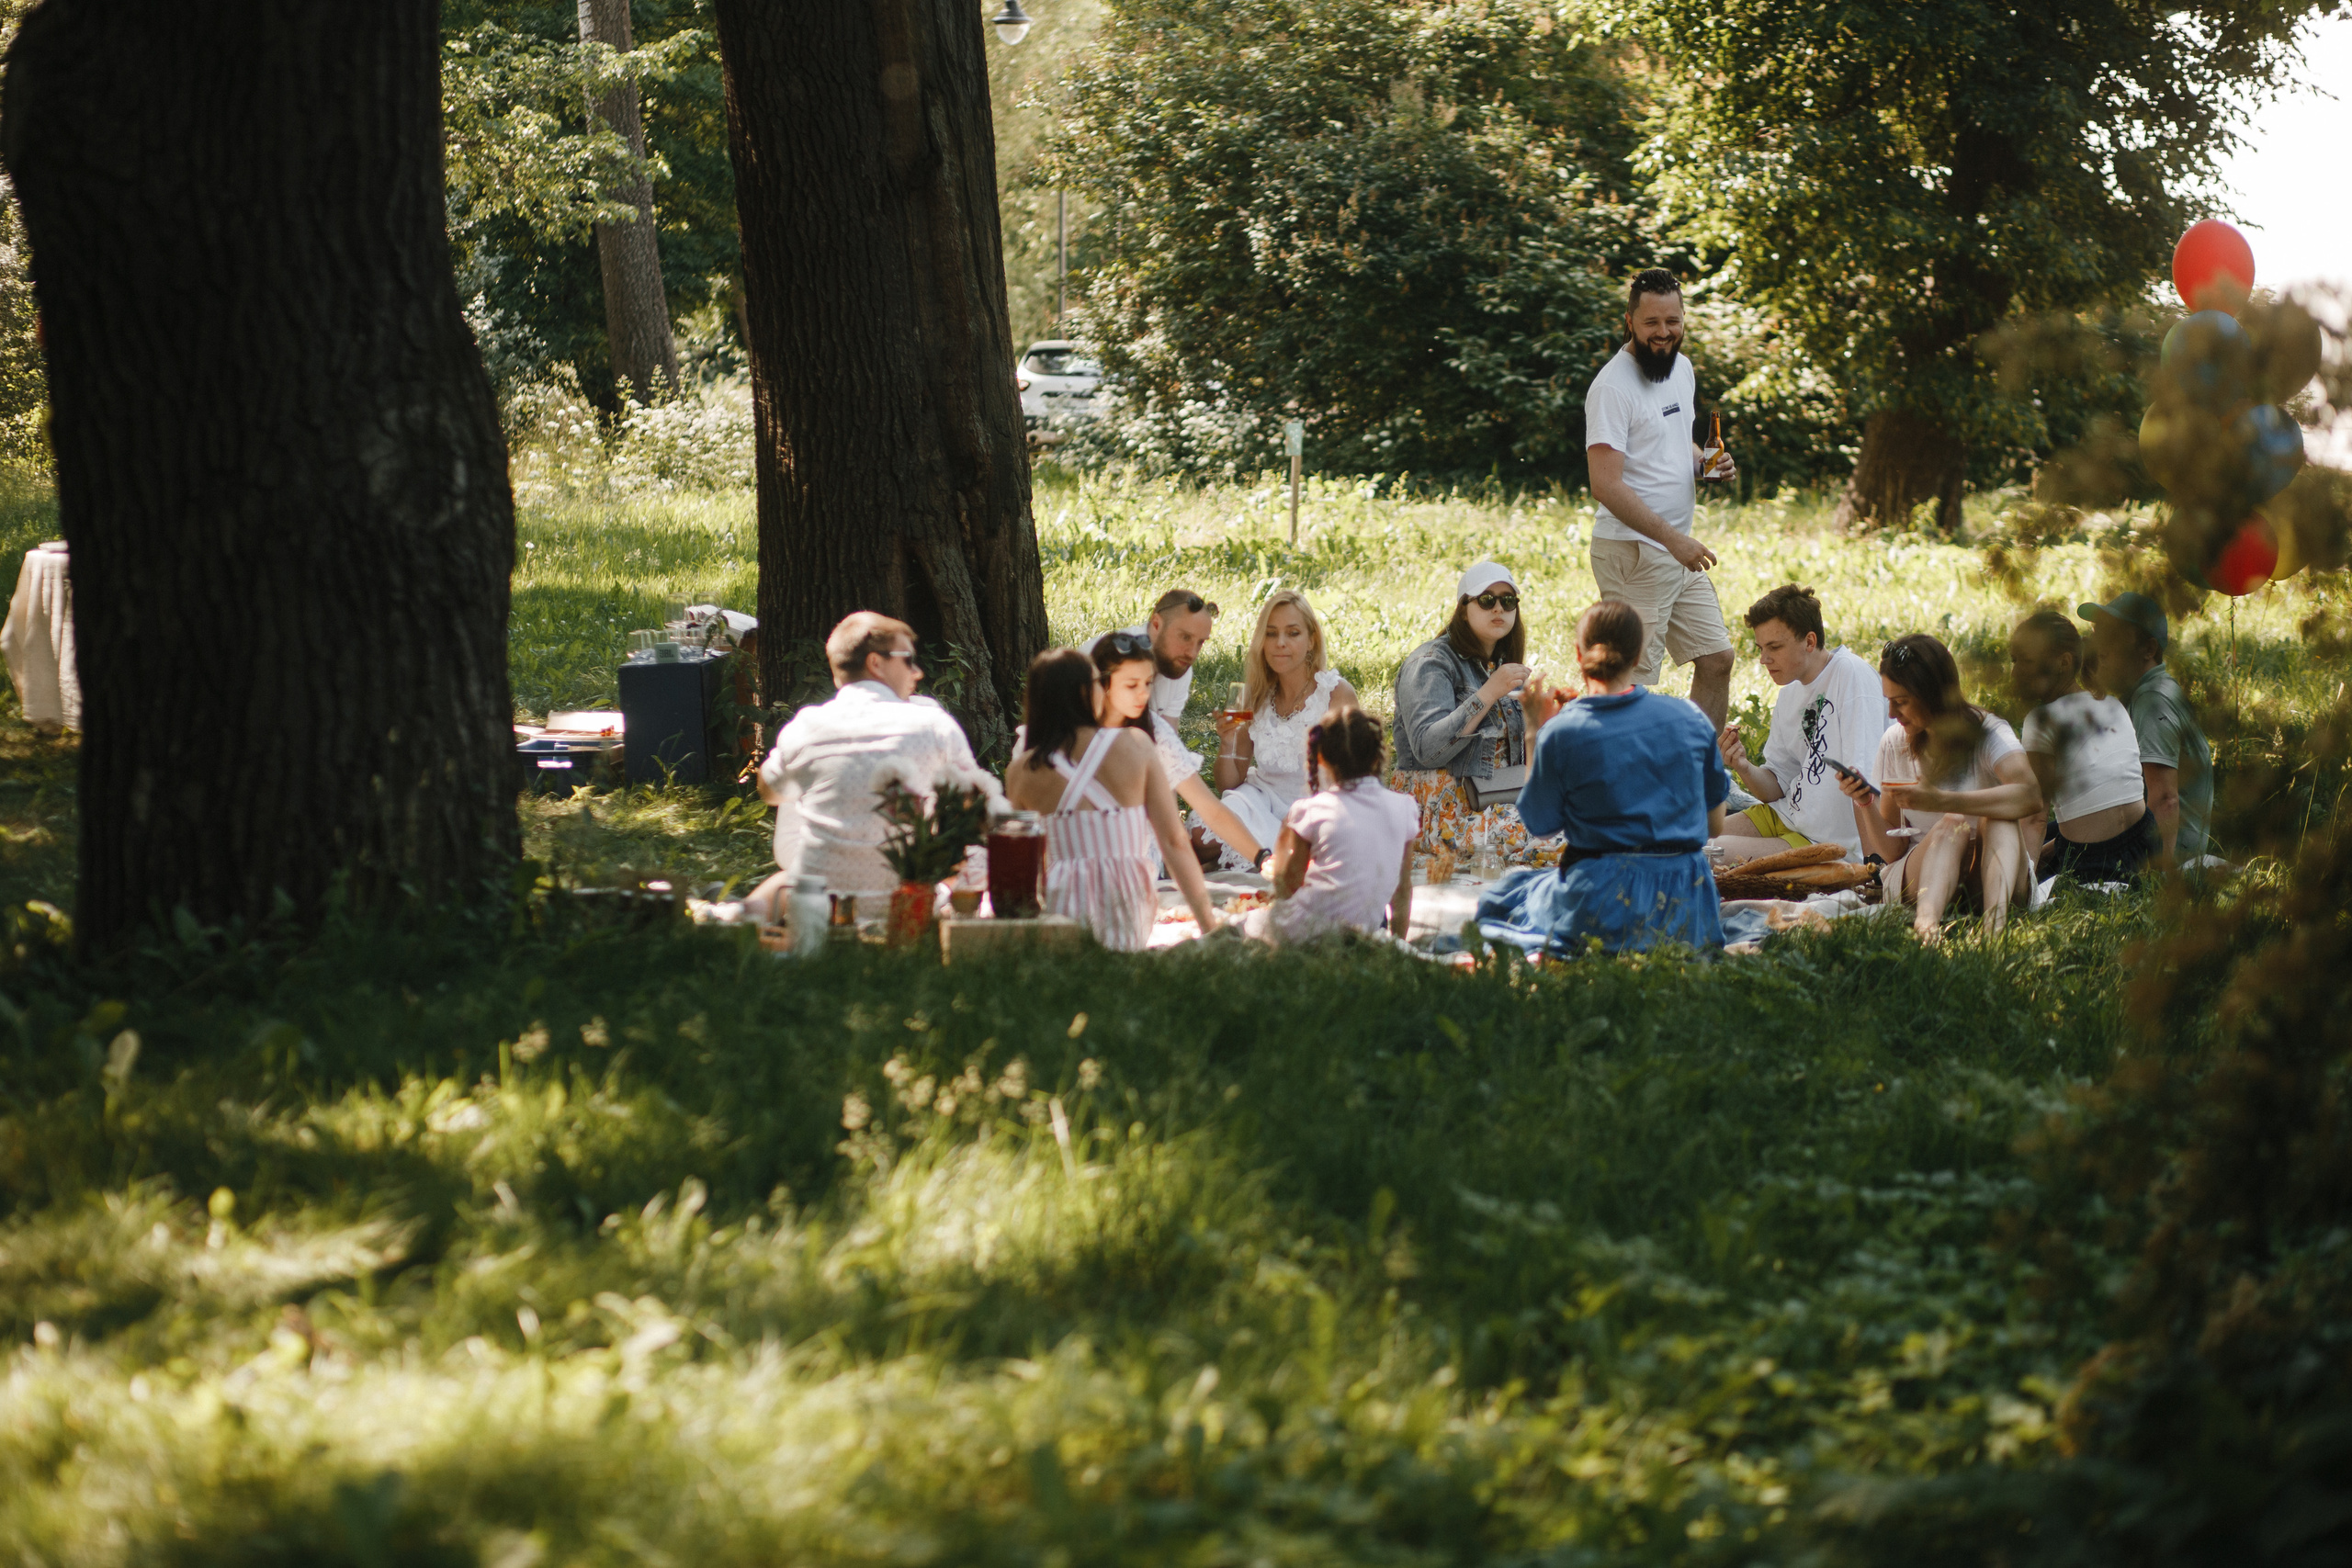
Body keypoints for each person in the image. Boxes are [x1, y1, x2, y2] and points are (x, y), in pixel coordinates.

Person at [1476, 601, 1729, 956]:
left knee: (1508, 895)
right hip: (1688, 901)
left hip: (1603, 898)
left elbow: (1540, 825)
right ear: (1639, 654)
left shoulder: (1564, 731)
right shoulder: (1691, 718)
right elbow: (1714, 826)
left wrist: (1534, 731)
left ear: (1579, 655)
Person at [750, 612, 1001, 919]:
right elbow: (976, 810)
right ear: (876, 663)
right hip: (907, 905)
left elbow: (770, 792)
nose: (917, 672)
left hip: (819, 908)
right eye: (908, 659)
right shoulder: (934, 725)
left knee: (780, 881)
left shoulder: (807, 726)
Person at [1584, 267, 1739, 729]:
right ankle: (1617, 782)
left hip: (1674, 551)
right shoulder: (1612, 387)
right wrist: (1674, 541)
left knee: (1716, 658)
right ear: (1630, 320)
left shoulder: (1681, 370)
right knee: (1627, 684)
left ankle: (1699, 773)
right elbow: (1605, 484)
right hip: (1636, 553)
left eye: (1672, 321)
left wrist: (1704, 462)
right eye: (1652, 323)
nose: (1663, 333)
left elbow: (1673, 442)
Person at [1003, 649, 1221, 948]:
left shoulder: (1021, 770)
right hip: (1126, 899)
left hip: (1062, 901)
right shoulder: (1135, 744)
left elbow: (1022, 863)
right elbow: (1174, 840)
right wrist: (1209, 925)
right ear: (1083, 692)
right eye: (1097, 682)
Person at [1838, 634, 2043, 942]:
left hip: (1992, 878)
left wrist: (1941, 800)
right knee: (1952, 824)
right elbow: (1891, 849)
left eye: (1901, 702)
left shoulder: (1987, 733)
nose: (1892, 714)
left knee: (1997, 816)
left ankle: (1994, 930)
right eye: (1889, 701)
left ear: (1932, 694)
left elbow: (2030, 795)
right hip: (1925, 877)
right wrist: (1865, 802)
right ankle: (1926, 927)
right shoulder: (1895, 742)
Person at [1713, 584, 1887, 863]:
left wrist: (1874, 867)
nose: (1763, 659)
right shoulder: (1789, 693)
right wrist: (1743, 766)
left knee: (1701, 855)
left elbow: (1863, 783)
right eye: (1761, 648)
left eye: (1774, 647)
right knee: (1680, 839)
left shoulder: (1852, 675)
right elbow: (1775, 787)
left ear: (1809, 641)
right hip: (1783, 815)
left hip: (1822, 840)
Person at [1391, 562, 1551, 863]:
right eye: (1487, 600)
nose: (1498, 609)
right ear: (1463, 609)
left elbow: (1524, 759)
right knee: (1548, 838)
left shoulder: (1502, 665)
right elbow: (1427, 750)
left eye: (1508, 600)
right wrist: (1488, 693)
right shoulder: (1428, 663)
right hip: (1443, 812)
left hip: (1501, 800)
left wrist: (1543, 720)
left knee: (1583, 819)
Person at [1205, 590, 1359, 868]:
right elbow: (1228, 783)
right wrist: (1227, 742)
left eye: (1293, 633)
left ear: (1312, 639)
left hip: (1313, 811)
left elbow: (1353, 781)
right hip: (1260, 800)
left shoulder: (1335, 694)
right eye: (1272, 633)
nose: (1280, 643)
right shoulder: (1256, 698)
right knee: (1201, 837)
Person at [2010, 610, 2158, 884]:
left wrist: (2023, 883)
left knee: (2009, 831)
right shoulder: (2112, 703)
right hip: (2146, 843)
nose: (2015, 672)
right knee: (2053, 832)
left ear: (2063, 663)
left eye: (2026, 662)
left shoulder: (2041, 720)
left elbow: (2034, 817)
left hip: (2093, 861)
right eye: (2014, 661)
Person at [1091, 631, 1263, 864]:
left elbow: (1210, 810)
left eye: (1148, 683)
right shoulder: (1076, 735)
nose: (1143, 694)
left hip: (1141, 865)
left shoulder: (1155, 730)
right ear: (1103, 684)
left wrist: (1262, 857)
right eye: (1132, 685)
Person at [1251, 709, 1421, 943]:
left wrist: (1281, 844)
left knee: (1249, 925)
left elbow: (1289, 884)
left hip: (1310, 931)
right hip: (1366, 931)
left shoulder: (1310, 810)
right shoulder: (1405, 808)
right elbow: (1402, 890)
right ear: (1378, 755)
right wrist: (1397, 944)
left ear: (1320, 758)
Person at [2079, 592, 2213, 870]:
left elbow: (2165, 799)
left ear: (2148, 650)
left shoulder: (2153, 701)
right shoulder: (2149, 692)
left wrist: (2156, 878)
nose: (2099, 649)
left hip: (2170, 853)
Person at [1080, 588, 1219, 728]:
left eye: (1200, 642)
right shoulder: (1107, 657)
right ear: (1156, 624)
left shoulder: (1180, 666)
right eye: (1185, 637)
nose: (1192, 654)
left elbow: (1168, 740)